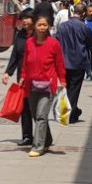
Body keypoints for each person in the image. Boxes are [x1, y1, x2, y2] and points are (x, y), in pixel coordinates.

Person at [21, 14, 66, 157]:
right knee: (36, 115)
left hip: (48, 86)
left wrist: (62, 80)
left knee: (41, 115)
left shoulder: (54, 44)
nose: (41, 28)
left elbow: (59, 64)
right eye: (39, 25)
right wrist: (22, 77)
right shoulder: (29, 43)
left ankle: (38, 146)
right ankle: (47, 140)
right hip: (31, 85)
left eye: (44, 25)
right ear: (35, 26)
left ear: (49, 27)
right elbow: (25, 62)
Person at [3, 8, 38, 147]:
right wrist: (8, 73)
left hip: (37, 77)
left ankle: (44, 137)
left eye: (27, 18)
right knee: (24, 108)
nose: (24, 21)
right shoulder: (19, 35)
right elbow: (15, 56)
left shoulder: (39, 35)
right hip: (22, 77)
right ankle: (27, 136)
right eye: (22, 18)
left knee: (37, 109)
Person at [55, 4, 92, 124]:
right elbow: (90, 43)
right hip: (78, 62)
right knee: (74, 89)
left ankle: (68, 112)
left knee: (65, 88)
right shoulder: (84, 27)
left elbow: (56, 43)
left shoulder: (62, 26)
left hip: (63, 62)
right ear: (83, 14)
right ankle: (70, 115)